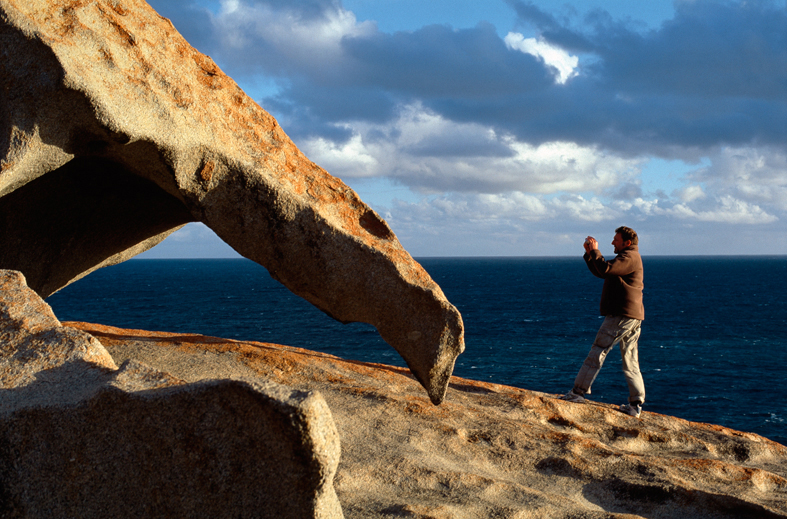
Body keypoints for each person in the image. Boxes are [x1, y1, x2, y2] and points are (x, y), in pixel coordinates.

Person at [559, 226, 646, 418]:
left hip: (621, 315)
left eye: (616, 239)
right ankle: (635, 405)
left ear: (627, 243)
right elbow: (603, 272)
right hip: (632, 316)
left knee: (598, 350)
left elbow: (606, 269)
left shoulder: (629, 257)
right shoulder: (629, 257)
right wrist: (590, 254)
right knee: (630, 358)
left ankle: (578, 393)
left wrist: (595, 251)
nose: (613, 242)